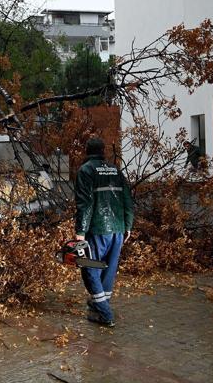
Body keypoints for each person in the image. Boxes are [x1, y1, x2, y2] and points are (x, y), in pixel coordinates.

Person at [74, 137, 134, 326]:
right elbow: (127, 200)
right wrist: (128, 225)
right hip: (118, 229)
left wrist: (80, 231)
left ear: (87, 150)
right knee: (108, 270)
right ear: (103, 151)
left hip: (97, 230)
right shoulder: (115, 170)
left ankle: (106, 314)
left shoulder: (86, 171)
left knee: (89, 267)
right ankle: (98, 308)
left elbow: (85, 203)